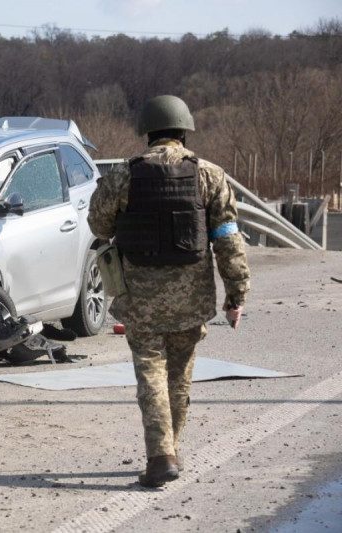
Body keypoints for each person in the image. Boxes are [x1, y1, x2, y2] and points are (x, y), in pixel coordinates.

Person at [87, 95, 251, 487]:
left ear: (147, 132)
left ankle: (161, 457)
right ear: (184, 130)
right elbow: (228, 239)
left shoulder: (124, 176)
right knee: (178, 379)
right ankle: (169, 451)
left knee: (151, 376)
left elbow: (98, 225)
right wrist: (236, 294)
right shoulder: (210, 175)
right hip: (191, 300)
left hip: (140, 300)